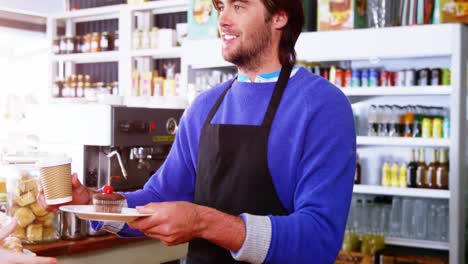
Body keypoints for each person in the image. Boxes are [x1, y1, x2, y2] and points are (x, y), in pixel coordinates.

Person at [39, 0, 356, 263]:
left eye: (239, 7)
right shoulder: (205, 106)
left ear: (280, 17)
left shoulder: (322, 106)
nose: (223, 20)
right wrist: (92, 203)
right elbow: (157, 199)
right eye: (221, 7)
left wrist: (204, 222)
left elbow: (318, 240)